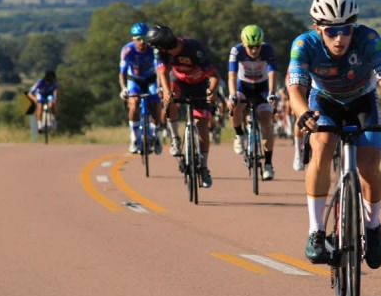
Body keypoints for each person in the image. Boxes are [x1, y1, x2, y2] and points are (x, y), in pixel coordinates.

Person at [287, 0, 381, 269]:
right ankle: (316, 230)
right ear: (317, 28)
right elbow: (295, 88)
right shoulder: (304, 44)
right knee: (323, 144)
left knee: (369, 165)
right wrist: (303, 114)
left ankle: (373, 226)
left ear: (355, 25)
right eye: (331, 31)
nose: (340, 38)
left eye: (346, 30)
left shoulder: (368, 38)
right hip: (324, 100)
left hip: (363, 100)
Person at [146, 24, 218, 189]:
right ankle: (176, 139)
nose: (156, 50)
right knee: (170, 98)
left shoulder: (194, 48)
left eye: (157, 47)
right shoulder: (161, 52)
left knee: (202, 127)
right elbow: (163, 73)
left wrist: (211, 91)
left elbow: (214, 76)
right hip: (178, 82)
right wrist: (166, 92)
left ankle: (204, 167)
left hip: (200, 84)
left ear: (165, 46)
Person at [227, 24, 278, 181]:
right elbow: (232, 75)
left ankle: (268, 164)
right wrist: (232, 95)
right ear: (243, 43)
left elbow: (272, 73)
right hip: (244, 86)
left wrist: (271, 94)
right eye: (251, 47)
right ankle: (239, 135)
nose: (254, 50)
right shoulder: (236, 51)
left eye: (257, 46)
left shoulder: (268, 50)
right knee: (235, 107)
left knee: (266, 121)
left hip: (262, 87)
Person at [119, 22, 163, 154]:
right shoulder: (127, 50)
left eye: (145, 38)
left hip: (151, 79)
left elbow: (160, 70)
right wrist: (123, 88)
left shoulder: (154, 50)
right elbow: (122, 73)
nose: (142, 42)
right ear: (133, 39)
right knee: (134, 104)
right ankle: (135, 138)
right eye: (139, 39)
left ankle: (156, 135)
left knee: (155, 104)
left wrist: (160, 88)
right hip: (135, 80)